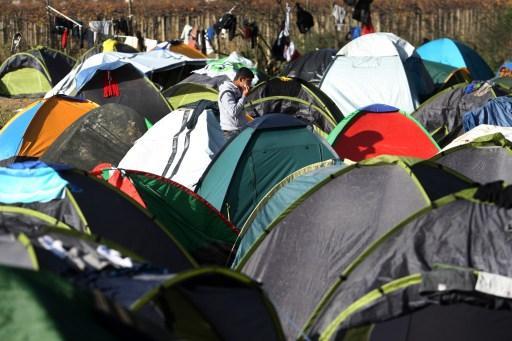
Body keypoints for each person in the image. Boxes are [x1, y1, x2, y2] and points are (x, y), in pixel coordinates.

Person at [218, 67, 254, 140]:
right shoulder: (227, 92)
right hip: (231, 132)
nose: (250, 84)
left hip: (240, 129)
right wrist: (244, 96)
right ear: (241, 79)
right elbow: (233, 112)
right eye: (249, 81)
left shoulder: (238, 90)